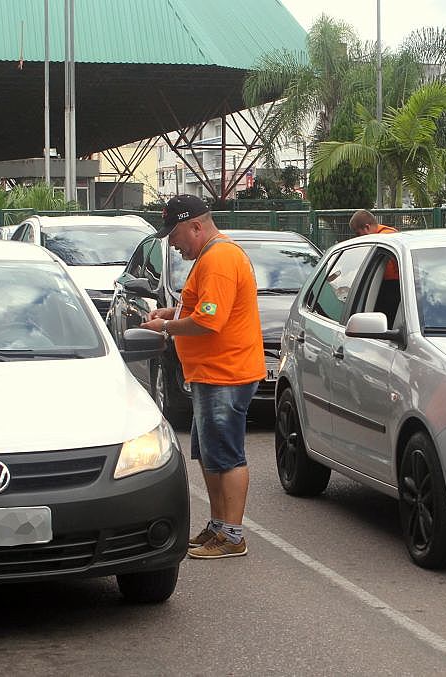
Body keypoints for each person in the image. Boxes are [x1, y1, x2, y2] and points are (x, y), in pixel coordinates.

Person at [139, 194, 264, 559]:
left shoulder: (220, 258)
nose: (173, 244)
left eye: (175, 235)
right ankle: (218, 526)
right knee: (211, 453)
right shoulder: (211, 256)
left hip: (226, 373)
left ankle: (232, 534)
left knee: (225, 453)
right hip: (213, 373)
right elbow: (204, 306)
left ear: (196, 226)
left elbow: (210, 321)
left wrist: (166, 326)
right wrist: (173, 310)